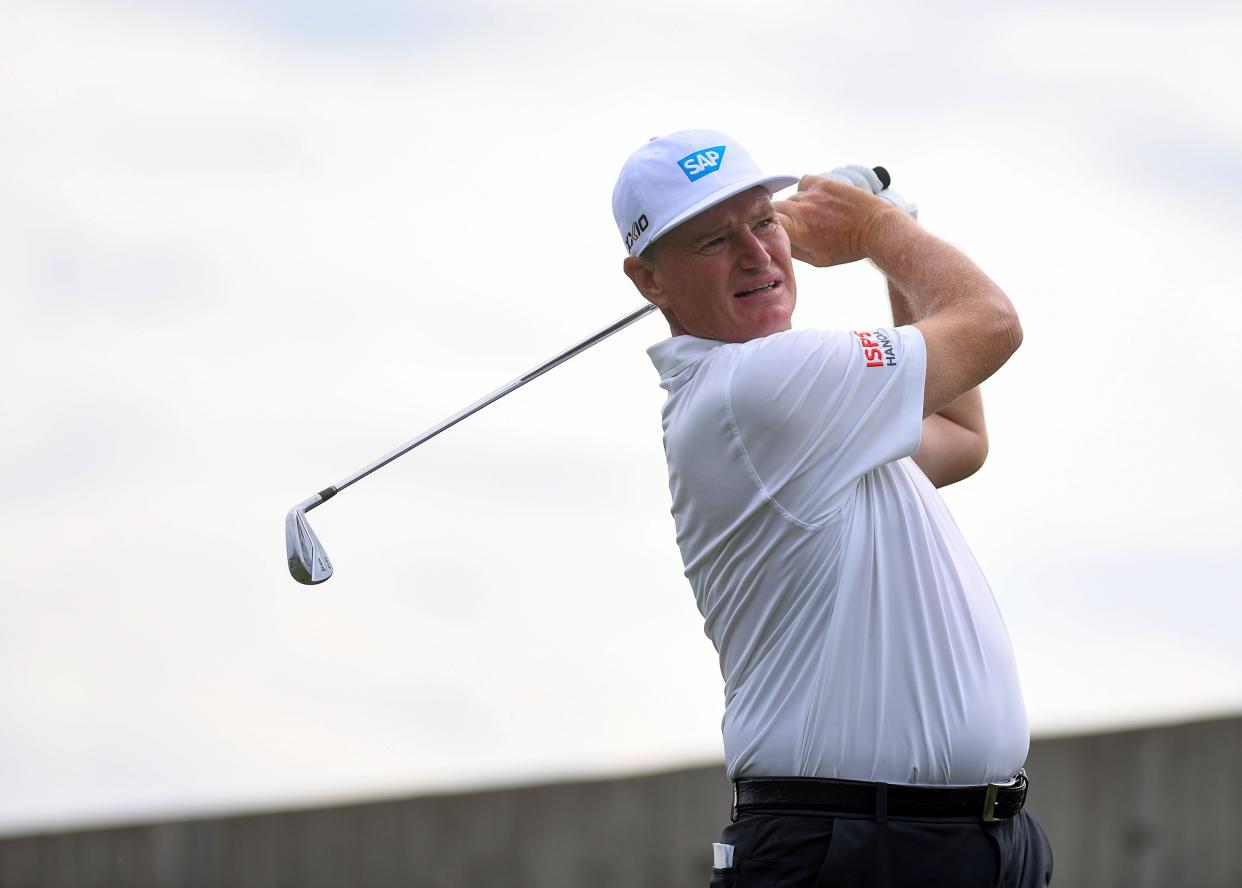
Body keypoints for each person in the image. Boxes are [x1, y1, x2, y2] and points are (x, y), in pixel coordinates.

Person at [612, 129, 1053, 887]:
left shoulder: (803, 406)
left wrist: (892, 241)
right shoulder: (756, 386)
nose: (756, 254)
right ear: (650, 281)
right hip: (852, 847)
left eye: (763, 222)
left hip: (967, 841)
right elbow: (991, 325)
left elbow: (958, 435)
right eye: (715, 239)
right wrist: (883, 232)